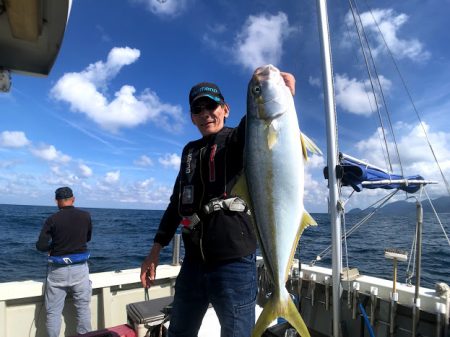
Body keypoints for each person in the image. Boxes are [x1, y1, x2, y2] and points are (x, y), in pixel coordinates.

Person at [140, 70, 295, 337]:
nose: (205, 114)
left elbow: (260, 119)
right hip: (193, 264)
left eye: (211, 106)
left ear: (225, 109)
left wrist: (280, 93)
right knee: (179, 332)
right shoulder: (189, 151)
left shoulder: (239, 140)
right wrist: (155, 250)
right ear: (191, 117)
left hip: (234, 262)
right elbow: (176, 203)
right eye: (197, 109)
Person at [36, 186, 93, 337]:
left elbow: (40, 246)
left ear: (57, 201)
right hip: (80, 270)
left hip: (58, 271)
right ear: (73, 199)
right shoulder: (86, 216)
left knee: (53, 312)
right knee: (83, 308)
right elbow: (88, 238)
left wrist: (51, 247)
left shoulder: (52, 219)